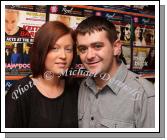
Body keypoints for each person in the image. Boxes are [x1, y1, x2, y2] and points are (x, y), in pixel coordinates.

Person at [75, 16, 155, 128]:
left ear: (116, 47)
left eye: (97, 46)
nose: (89, 56)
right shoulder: (84, 86)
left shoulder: (145, 95)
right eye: (83, 49)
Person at [6, 21, 79, 128]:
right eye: (55, 48)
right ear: (41, 50)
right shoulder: (19, 92)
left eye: (68, 49)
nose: (63, 56)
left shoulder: (76, 89)